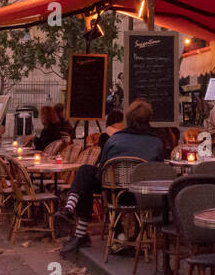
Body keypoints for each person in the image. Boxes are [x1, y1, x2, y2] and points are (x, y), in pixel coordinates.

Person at [59, 100, 165, 253]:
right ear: (149, 120)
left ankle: (72, 213)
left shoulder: (114, 140)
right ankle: (128, 236)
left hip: (115, 196)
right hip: (143, 197)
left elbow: (102, 170)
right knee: (92, 175)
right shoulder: (156, 143)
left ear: (127, 120)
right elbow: (159, 171)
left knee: (86, 172)